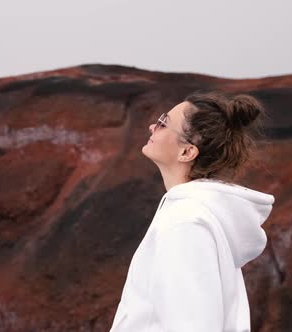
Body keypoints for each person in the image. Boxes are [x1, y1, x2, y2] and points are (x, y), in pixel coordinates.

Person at [109, 90, 275, 332]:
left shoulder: (186, 223)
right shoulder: (196, 216)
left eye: (164, 123)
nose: (151, 126)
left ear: (187, 152)